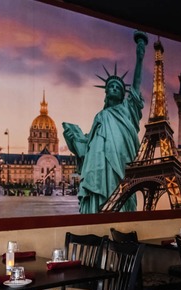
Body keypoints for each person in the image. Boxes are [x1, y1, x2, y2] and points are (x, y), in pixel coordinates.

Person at [63, 31, 147, 214]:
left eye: (118, 87)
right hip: (99, 166)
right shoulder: (100, 116)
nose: (114, 88)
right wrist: (74, 139)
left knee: (123, 196)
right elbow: (89, 145)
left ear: (123, 94)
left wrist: (140, 57)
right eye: (111, 87)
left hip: (121, 161)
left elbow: (136, 86)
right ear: (106, 93)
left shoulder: (127, 109)